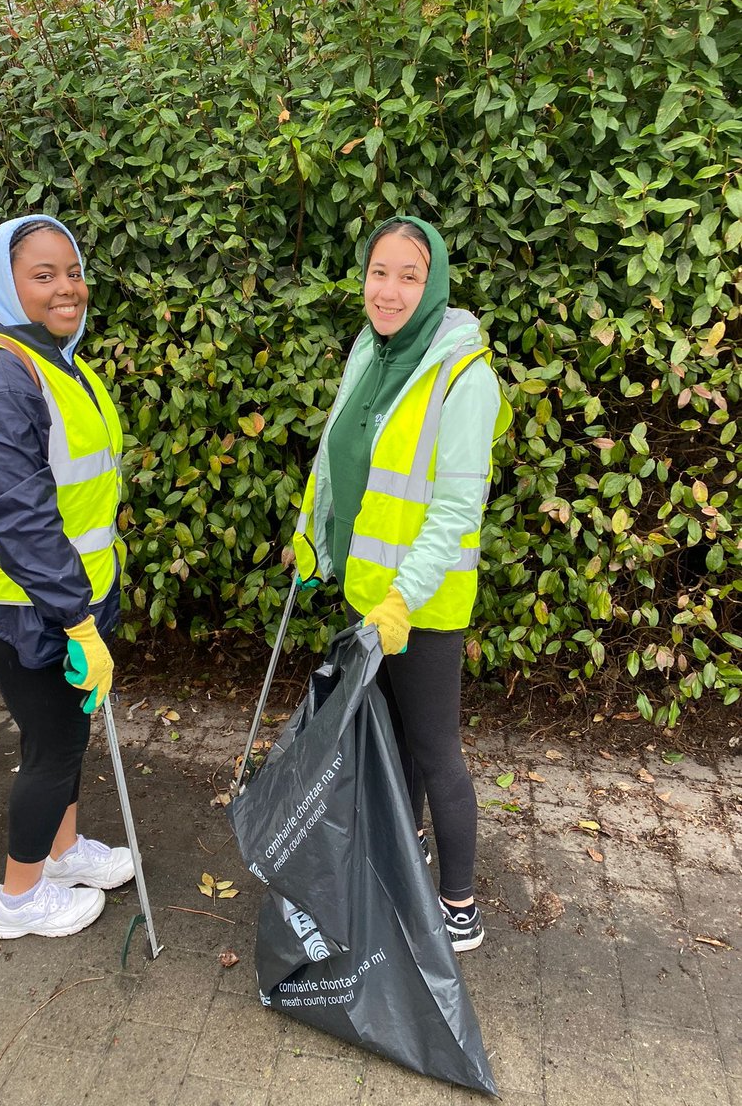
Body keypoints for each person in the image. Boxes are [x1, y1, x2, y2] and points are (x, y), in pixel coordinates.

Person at [292, 215, 512, 952]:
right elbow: (336, 453)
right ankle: (407, 859)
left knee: (435, 748)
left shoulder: (463, 377)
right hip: (367, 594)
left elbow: (455, 507)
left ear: (435, 283)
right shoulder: (371, 351)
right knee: (389, 746)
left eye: (408, 276)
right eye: (378, 272)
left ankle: (459, 907)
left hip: (421, 603)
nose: (389, 291)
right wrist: (310, 529)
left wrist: (402, 598)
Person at [0, 215, 133, 940]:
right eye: (43, 276)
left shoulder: (52, 358)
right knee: (53, 743)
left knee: (63, 734)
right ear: (4, 285)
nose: (67, 288)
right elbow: (20, 515)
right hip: (21, 601)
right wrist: (76, 618)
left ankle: (62, 852)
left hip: (62, 591)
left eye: (72, 272)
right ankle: (17, 899)